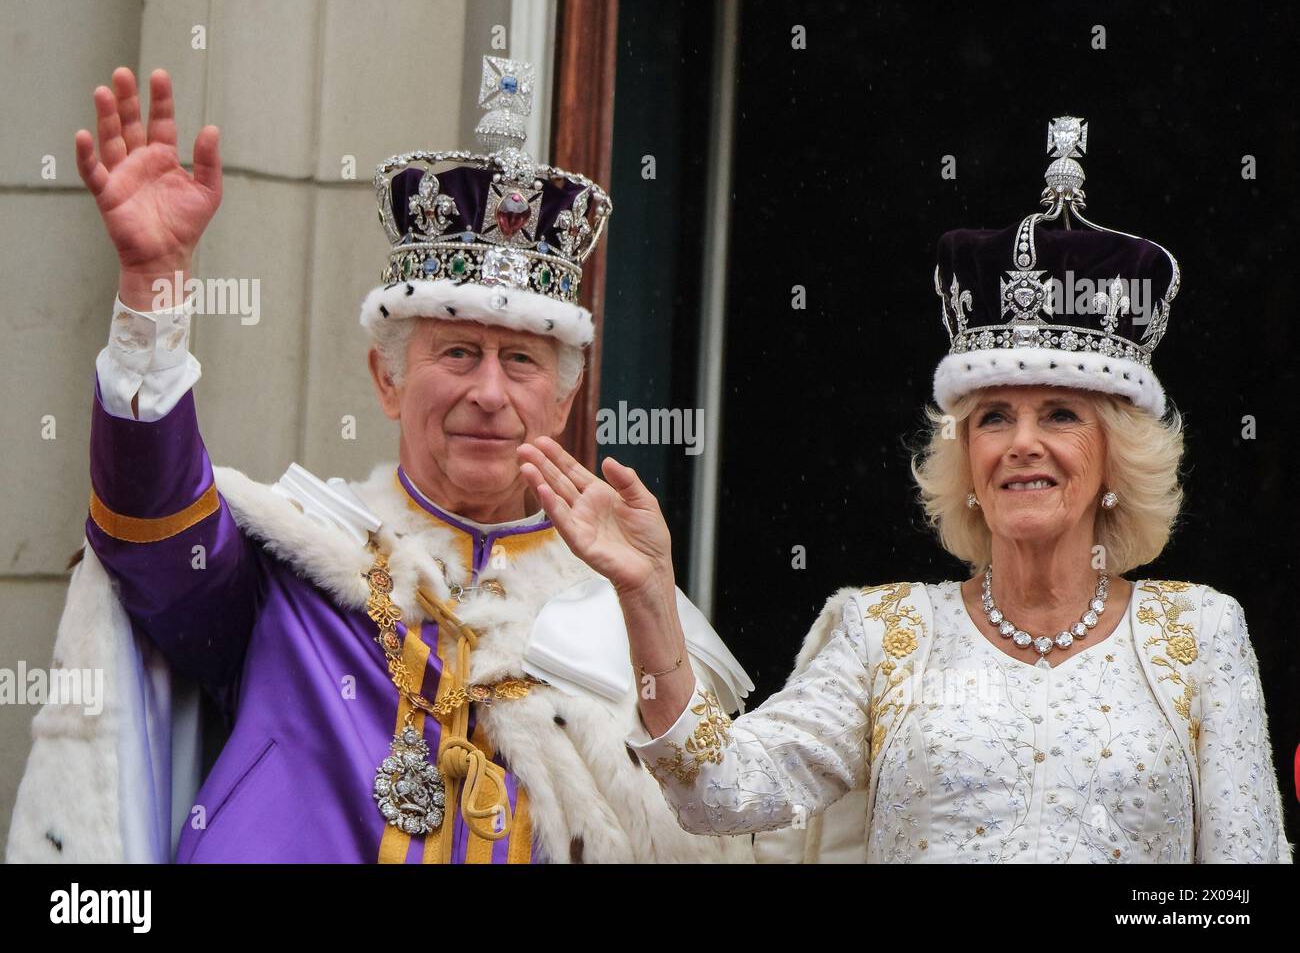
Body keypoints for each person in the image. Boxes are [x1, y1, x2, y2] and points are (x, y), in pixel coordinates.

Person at [7, 57, 753, 864]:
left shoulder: (632, 619)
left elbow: (725, 816)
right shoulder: (294, 562)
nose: (490, 393)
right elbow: (150, 531)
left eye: (523, 363)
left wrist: (646, 601)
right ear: (387, 380)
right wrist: (153, 289)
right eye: (459, 352)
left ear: (565, 402)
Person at [518, 116, 1294, 863]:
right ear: (968, 458)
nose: (1022, 442)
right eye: (994, 416)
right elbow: (719, 794)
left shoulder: (1200, 635)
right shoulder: (882, 632)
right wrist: (649, 593)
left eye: (1060, 414)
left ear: (1116, 457)